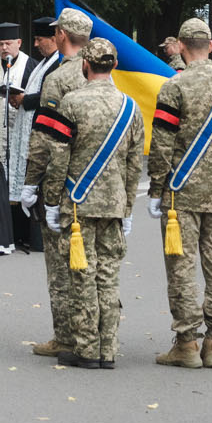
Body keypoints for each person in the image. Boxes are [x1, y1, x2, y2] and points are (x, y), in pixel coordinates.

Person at [32, 37, 142, 370]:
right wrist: (128, 207)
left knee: (81, 274)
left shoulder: (71, 103)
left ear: (85, 65)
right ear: (114, 66)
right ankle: (108, 350)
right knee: (108, 277)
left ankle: (86, 348)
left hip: (77, 205)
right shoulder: (130, 106)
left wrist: (51, 200)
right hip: (113, 206)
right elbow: (135, 163)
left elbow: (58, 157)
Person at [147, 17, 212, 369]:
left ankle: (187, 343)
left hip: (181, 195)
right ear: (211, 46)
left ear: (183, 47)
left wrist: (156, 188)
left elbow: (161, 144)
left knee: (182, 268)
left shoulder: (174, 87)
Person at [21, 9, 89, 358]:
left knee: (60, 267)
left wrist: (30, 183)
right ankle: (92, 333)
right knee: (89, 263)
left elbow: (45, 138)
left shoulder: (59, 79)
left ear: (61, 35)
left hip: (61, 184)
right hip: (93, 182)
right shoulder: (99, 74)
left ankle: (66, 336)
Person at [0, 22, 37, 213]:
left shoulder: (31, 67)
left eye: (8, 43)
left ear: (19, 43)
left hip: (21, 139)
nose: (4, 48)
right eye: (0, 44)